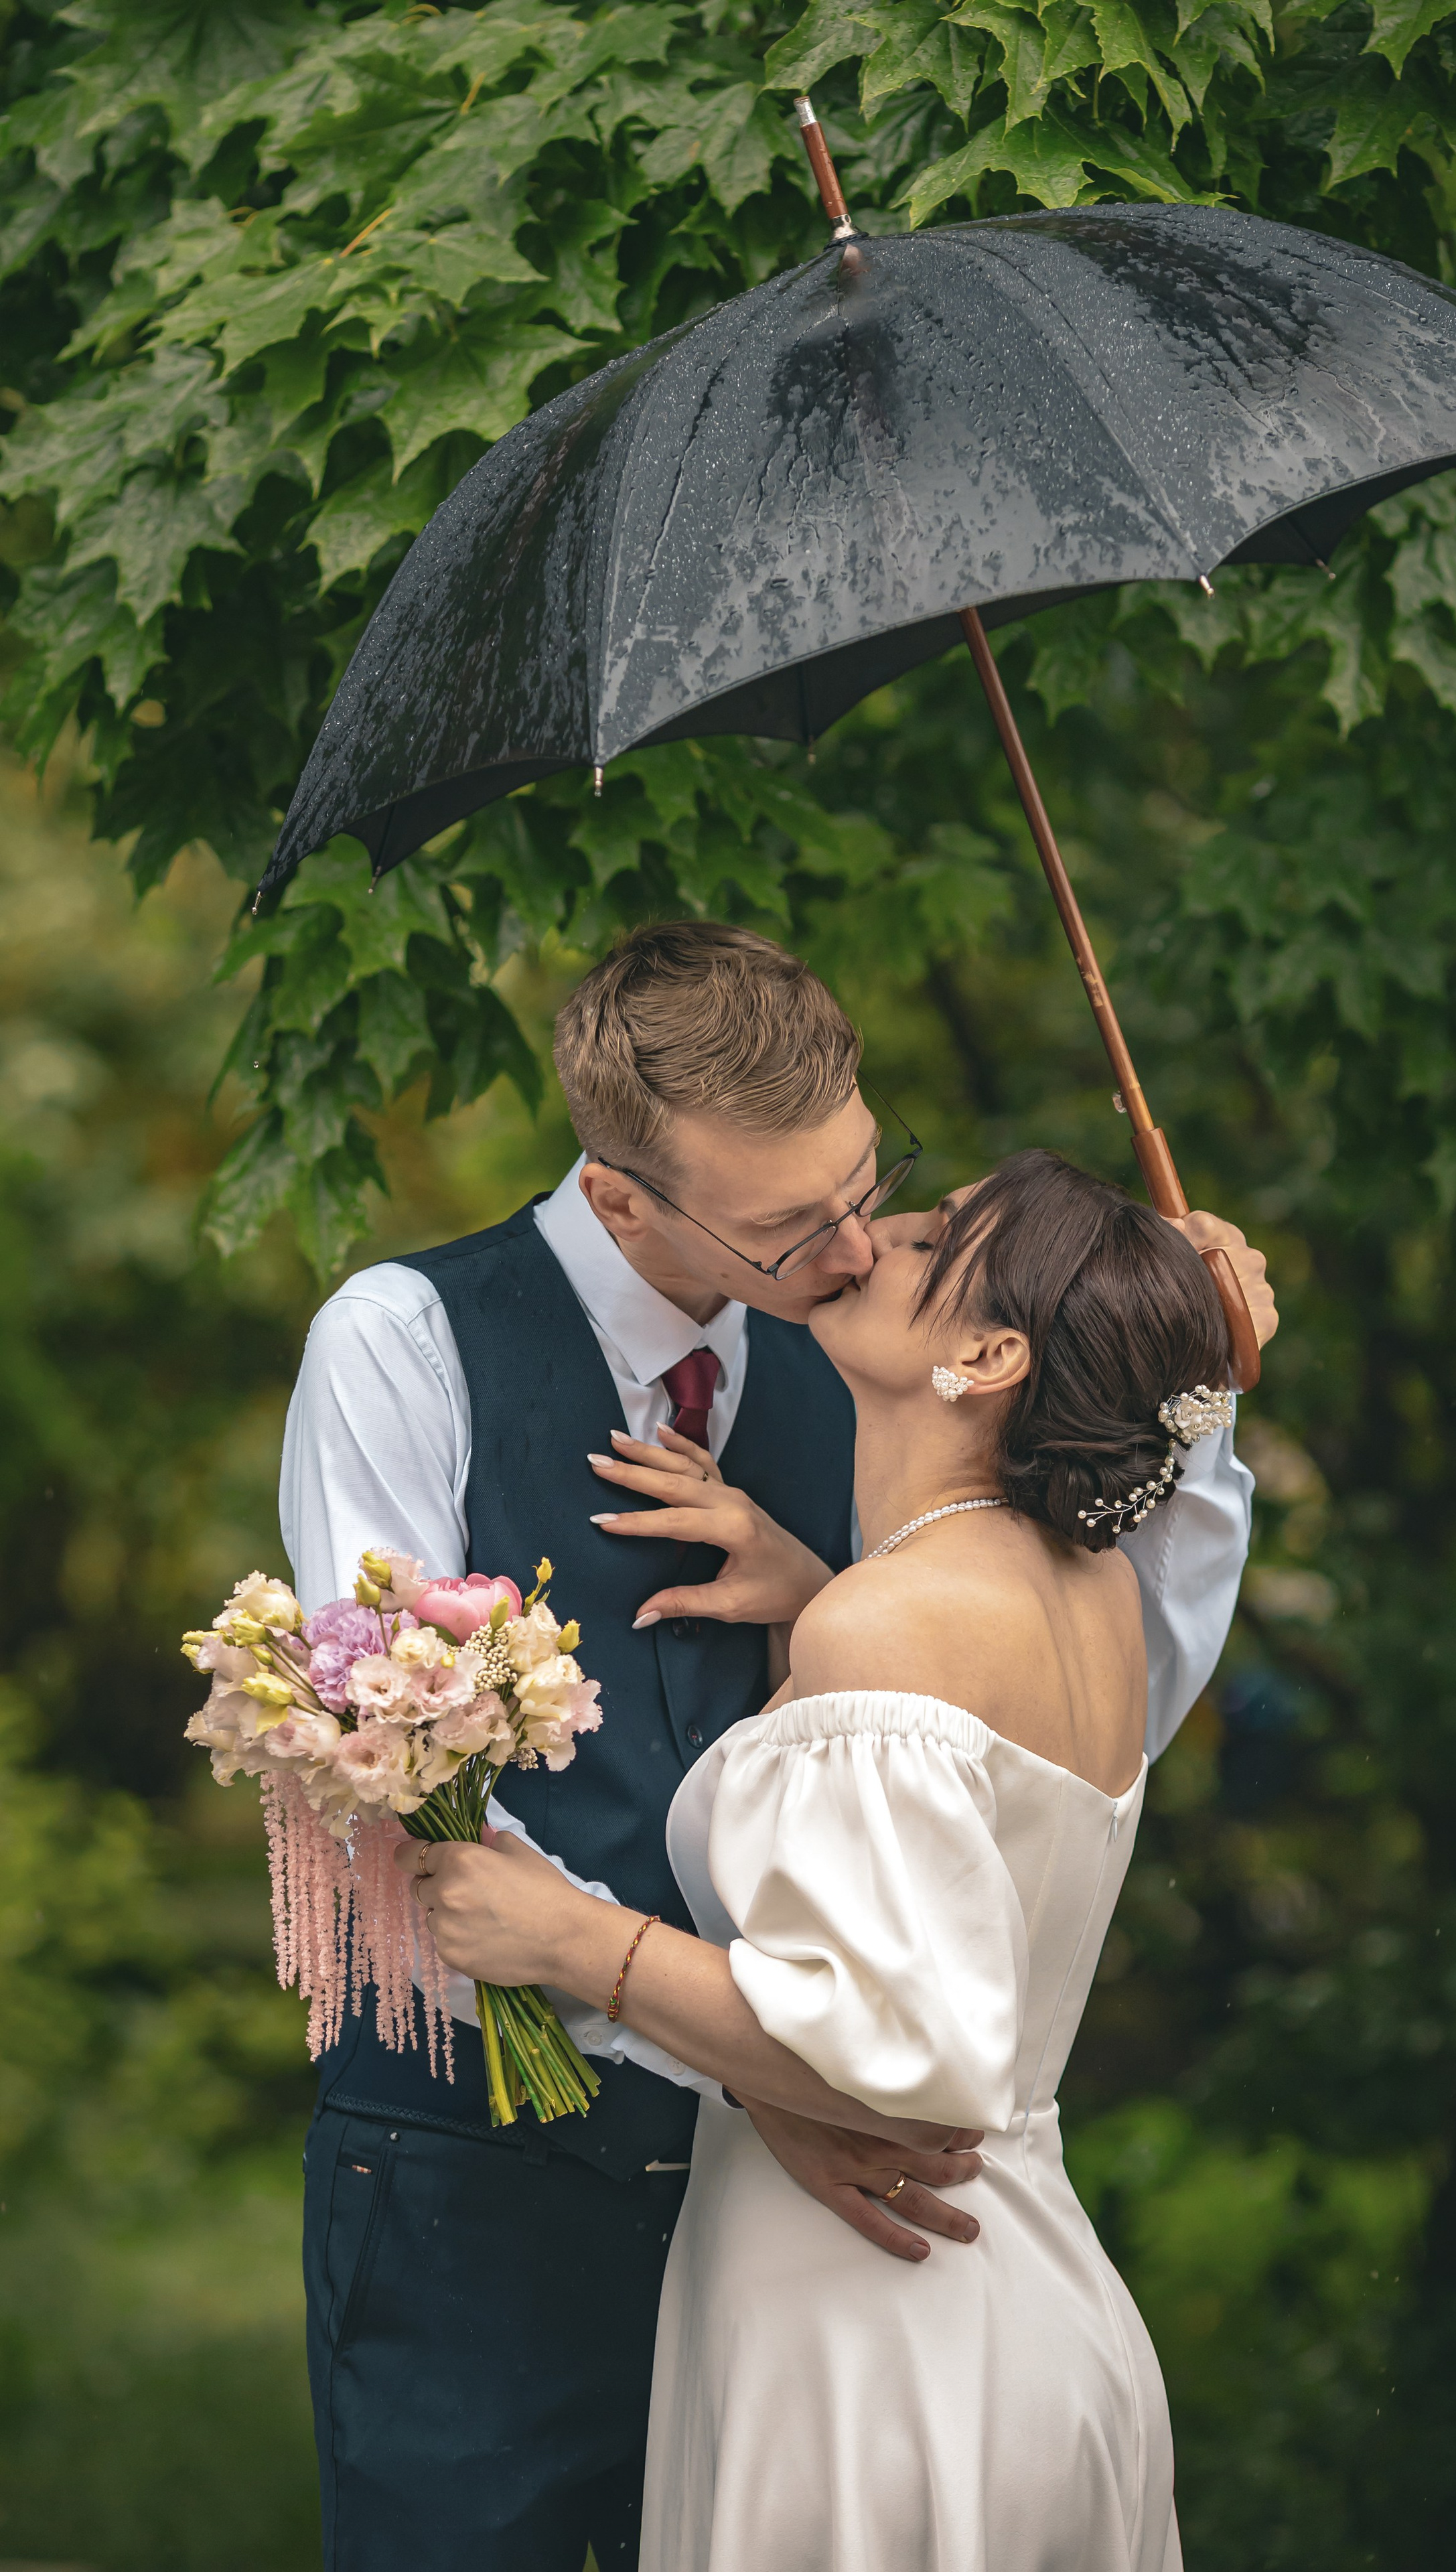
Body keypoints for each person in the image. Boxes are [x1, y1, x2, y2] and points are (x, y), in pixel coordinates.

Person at [281, 922, 1273, 2570]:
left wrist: (1193, 1386)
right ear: (623, 1200)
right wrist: (765, 2067)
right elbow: (399, 1786)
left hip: (853, 2230)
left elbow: (1055, 1761)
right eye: (782, 1229)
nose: (845, 1250)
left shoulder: (879, 1372)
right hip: (487, 2196)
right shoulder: (399, 1343)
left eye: (864, 1187)